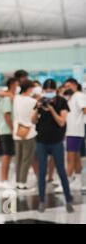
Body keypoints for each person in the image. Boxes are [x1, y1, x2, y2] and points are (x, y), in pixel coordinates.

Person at [32, 79, 74, 213]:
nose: (48, 94)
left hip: (56, 142)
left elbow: (61, 122)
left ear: (55, 91)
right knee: (42, 172)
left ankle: (68, 199)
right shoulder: (40, 101)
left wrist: (51, 110)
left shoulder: (62, 102)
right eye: (46, 91)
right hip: (41, 141)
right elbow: (33, 120)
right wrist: (37, 108)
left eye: (51, 91)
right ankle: (42, 201)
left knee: (61, 171)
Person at [56, 78, 86, 192]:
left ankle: (66, 182)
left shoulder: (79, 96)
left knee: (70, 158)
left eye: (68, 86)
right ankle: (78, 180)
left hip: (75, 131)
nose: (66, 88)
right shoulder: (71, 97)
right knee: (76, 157)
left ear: (74, 85)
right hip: (71, 131)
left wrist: (80, 122)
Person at [13, 80, 37, 192]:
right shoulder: (33, 101)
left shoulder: (16, 99)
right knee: (26, 159)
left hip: (17, 131)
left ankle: (18, 182)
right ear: (29, 89)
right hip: (29, 132)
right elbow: (34, 118)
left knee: (18, 159)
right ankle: (23, 183)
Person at [0, 77, 19, 189]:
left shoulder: (12, 97)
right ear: (12, 85)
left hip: (9, 130)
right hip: (7, 131)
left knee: (10, 154)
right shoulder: (7, 98)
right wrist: (12, 129)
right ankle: (3, 179)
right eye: (16, 84)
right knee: (7, 154)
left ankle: (8, 178)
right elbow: (7, 115)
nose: (17, 87)